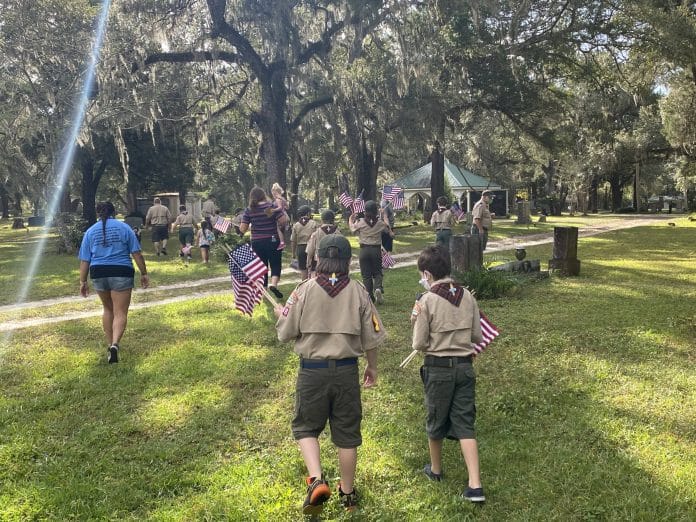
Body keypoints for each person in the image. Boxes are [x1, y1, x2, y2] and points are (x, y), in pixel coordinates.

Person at [274, 234, 386, 515]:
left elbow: (285, 332)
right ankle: (348, 495)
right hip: (347, 371)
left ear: (317, 258)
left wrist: (281, 313)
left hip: (312, 372)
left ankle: (317, 479)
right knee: (347, 434)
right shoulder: (359, 291)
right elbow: (371, 337)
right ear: (349, 261)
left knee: (305, 427)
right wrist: (371, 366)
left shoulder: (303, 290)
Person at [410, 245, 485, 503]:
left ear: (428, 274)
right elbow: (477, 336)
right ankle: (475, 484)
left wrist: (415, 320)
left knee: (435, 420)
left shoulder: (426, 300)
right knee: (465, 422)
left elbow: (419, 343)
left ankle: (436, 470)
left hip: (438, 368)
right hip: (465, 367)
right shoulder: (467, 296)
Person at [78, 201, 149, 364]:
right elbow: (137, 253)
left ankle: (110, 345)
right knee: (120, 312)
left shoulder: (90, 232)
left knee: (108, 309)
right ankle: (115, 345)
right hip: (121, 271)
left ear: (98, 213)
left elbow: (84, 260)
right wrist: (143, 273)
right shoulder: (124, 228)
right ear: (114, 212)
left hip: (99, 272)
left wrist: (83, 281)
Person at [239, 186, 288, 298]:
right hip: (272, 239)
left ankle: (264, 292)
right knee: (275, 263)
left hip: (257, 241)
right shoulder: (271, 207)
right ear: (263, 195)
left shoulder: (249, 209)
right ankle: (274, 284)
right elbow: (283, 221)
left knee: (262, 266)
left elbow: (242, 229)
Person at [349, 200, 393, 304]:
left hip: (364, 250)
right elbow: (390, 232)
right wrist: (385, 216)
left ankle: (370, 296)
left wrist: (350, 220)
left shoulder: (360, 222)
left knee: (366, 275)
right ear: (376, 211)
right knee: (378, 272)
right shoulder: (380, 223)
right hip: (376, 250)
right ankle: (378, 287)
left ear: (365, 211)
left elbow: (352, 230)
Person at [305, 209, 341, 277]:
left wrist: (308, 264)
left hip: (320, 263)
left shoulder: (316, 234)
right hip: (334, 263)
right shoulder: (339, 233)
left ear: (322, 220)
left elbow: (310, 251)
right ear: (333, 220)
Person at [290, 205, 318, 280]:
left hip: (300, 248)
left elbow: (293, 240)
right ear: (308, 213)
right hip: (312, 248)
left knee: (303, 270)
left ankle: (304, 286)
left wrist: (293, 253)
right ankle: (313, 286)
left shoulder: (296, 225)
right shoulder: (313, 223)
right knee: (313, 270)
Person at [271, 182, 290, 250]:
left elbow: (279, 208)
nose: (273, 195)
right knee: (280, 230)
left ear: (275, 192)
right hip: (285, 215)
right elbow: (287, 207)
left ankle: (282, 243)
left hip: (281, 216)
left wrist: (273, 210)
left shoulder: (277, 199)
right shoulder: (282, 199)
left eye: (273, 193)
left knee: (277, 229)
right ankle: (280, 242)